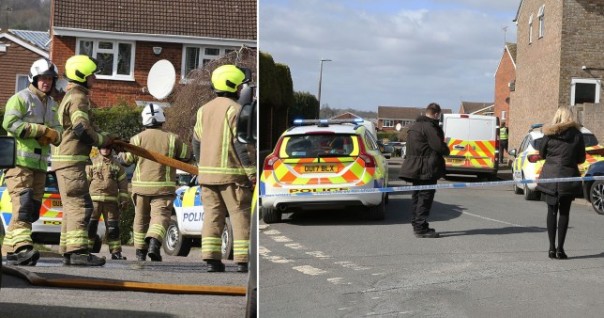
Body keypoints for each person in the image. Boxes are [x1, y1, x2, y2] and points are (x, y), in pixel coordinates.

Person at [52, 55, 115, 266]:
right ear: (83, 76)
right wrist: (102, 140)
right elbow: (80, 128)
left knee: (71, 206)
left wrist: (103, 136)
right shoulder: (79, 97)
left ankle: (69, 251)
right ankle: (79, 252)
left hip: (64, 160)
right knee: (81, 205)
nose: (95, 78)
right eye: (92, 74)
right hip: (72, 160)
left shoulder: (69, 96)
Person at [192, 64, 256, 273]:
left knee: (212, 215)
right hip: (232, 176)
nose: (242, 89)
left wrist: (202, 166)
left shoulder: (203, 110)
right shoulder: (235, 110)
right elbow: (241, 144)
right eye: (240, 86)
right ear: (233, 85)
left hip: (208, 177)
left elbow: (196, 142)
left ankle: (211, 259)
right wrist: (252, 173)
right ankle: (242, 260)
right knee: (240, 214)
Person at [2, 58, 63, 265]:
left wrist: (54, 135)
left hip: (39, 166)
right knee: (24, 206)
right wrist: (39, 130)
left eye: (49, 79)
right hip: (18, 164)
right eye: (42, 78)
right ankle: (23, 249)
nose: (46, 82)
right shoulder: (20, 99)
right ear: (34, 79)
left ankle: (9, 251)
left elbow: (59, 131)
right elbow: (9, 123)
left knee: (31, 211)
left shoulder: (53, 105)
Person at [120, 103, 192, 262]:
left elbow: (126, 160)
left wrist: (121, 151)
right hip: (162, 189)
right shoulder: (173, 139)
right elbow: (187, 155)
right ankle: (154, 243)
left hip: (140, 189)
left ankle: (140, 253)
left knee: (140, 220)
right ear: (162, 119)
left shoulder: (137, 139)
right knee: (160, 217)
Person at [535, 107, 585, 259]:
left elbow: (542, 154)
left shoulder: (548, 134)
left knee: (551, 211)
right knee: (564, 213)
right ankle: (560, 250)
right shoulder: (577, 135)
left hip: (550, 178)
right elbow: (581, 158)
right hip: (567, 178)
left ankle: (551, 248)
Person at [398, 103, 450, 238]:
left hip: (414, 167)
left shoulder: (414, 127)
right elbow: (438, 146)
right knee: (425, 198)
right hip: (427, 168)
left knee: (417, 197)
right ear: (437, 114)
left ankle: (418, 224)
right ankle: (421, 228)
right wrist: (446, 148)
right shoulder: (430, 127)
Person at [86, 145, 130, 260]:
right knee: (91, 227)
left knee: (113, 228)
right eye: (103, 148)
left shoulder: (117, 165)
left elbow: (123, 184)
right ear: (99, 149)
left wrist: (124, 199)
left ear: (111, 149)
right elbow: (86, 181)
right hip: (94, 201)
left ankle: (116, 252)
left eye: (108, 148)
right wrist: (83, 198)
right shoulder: (92, 162)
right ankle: (86, 251)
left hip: (111, 202)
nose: (105, 150)